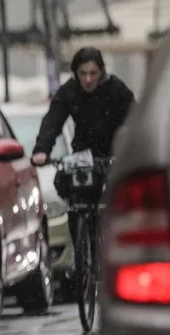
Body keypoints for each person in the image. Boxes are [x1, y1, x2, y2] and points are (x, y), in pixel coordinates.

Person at [30, 47, 135, 237]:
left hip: (113, 153)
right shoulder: (69, 91)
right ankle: (79, 243)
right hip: (83, 154)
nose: (88, 79)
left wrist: (130, 149)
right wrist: (42, 150)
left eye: (93, 73)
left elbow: (134, 120)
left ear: (101, 72)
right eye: (83, 74)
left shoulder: (117, 90)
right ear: (75, 74)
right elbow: (53, 121)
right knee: (73, 195)